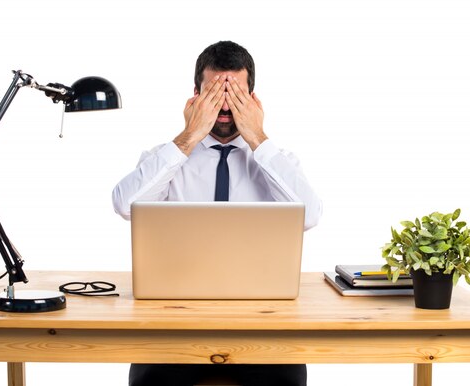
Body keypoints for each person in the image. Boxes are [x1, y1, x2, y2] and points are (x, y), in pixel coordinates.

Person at [112, 41, 322, 386]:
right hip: (175, 327)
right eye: (214, 92)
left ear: (254, 100)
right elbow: (124, 204)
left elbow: (310, 214)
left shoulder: (277, 161)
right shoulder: (164, 159)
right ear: (195, 96)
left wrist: (257, 137)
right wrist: (189, 136)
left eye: (236, 94)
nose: (225, 105)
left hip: (262, 328)